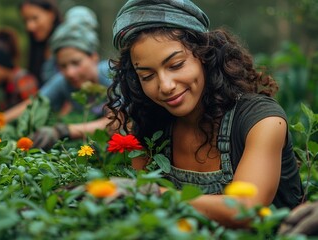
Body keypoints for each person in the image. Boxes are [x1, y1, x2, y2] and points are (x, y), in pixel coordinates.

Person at [107, 0, 303, 228]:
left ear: (204, 55)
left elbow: (247, 209)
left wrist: (151, 192)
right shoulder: (149, 128)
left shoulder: (262, 122)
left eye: (176, 65)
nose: (166, 85)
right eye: (147, 76)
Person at [30, 6, 113, 150]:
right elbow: (35, 103)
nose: (70, 73)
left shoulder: (111, 75)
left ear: (93, 57)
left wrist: (63, 130)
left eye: (76, 63)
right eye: (62, 66)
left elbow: (116, 123)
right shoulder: (64, 81)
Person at [19, 0, 62, 86]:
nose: (30, 27)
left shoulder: (66, 43)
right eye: (25, 21)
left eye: (35, 18)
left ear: (51, 14)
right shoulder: (38, 49)